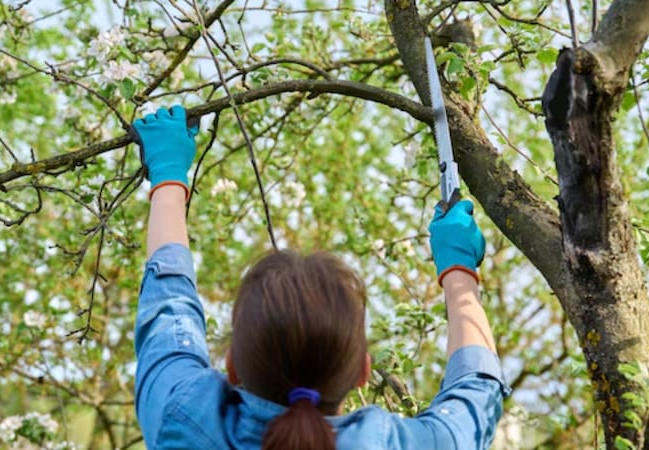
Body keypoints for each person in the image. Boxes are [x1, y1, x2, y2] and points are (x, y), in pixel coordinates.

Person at [132, 105, 510, 450]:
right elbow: (475, 396)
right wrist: (459, 270)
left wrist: (167, 174)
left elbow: (169, 304)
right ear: (362, 370)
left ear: (231, 365)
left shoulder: (183, 416)